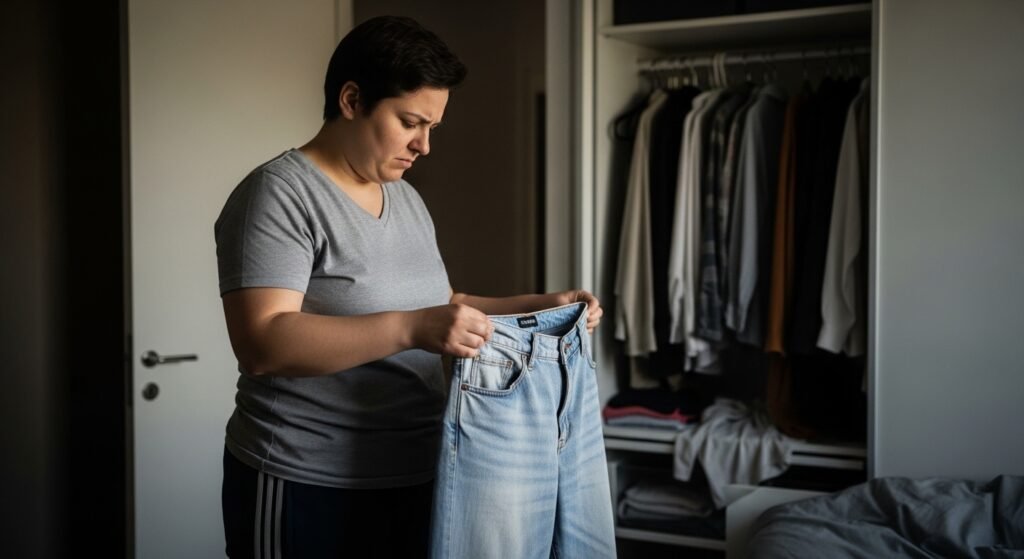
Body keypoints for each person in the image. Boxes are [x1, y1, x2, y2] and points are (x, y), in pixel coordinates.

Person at [215, 15, 603, 558]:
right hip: (306, 481)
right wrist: (412, 329)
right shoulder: (279, 195)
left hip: (418, 471)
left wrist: (545, 304)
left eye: (432, 128)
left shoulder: (405, 197)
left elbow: (443, 307)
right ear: (352, 100)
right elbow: (263, 343)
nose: (424, 146)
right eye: (410, 123)